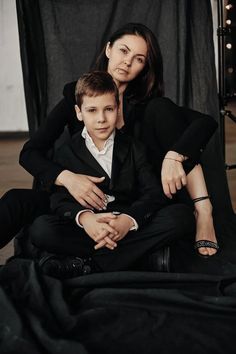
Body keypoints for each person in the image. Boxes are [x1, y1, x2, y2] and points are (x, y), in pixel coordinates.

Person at [0, 23, 218, 258]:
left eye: (139, 59)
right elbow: (30, 153)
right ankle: (133, 257)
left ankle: (201, 209)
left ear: (144, 67)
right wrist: (69, 179)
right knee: (17, 202)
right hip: (78, 203)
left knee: (179, 218)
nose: (127, 62)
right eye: (123, 51)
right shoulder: (79, 94)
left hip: (132, 203)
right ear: (108, 50)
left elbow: (205, 123)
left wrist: (174, 155)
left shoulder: (149, 107)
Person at [29, 71, 195, 278]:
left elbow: (153, 193)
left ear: (118, 109)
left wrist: (128, 220)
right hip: (89, 230)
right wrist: (86, 219)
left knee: (182, 216)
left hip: (128, 225)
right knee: (41, 229)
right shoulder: (66, 151)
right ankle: (138, 259)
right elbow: (58, 200)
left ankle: (90, 265)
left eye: (108, 109)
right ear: (79, 112)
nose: (101, 119)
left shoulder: (135, 147)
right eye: (92, 110)